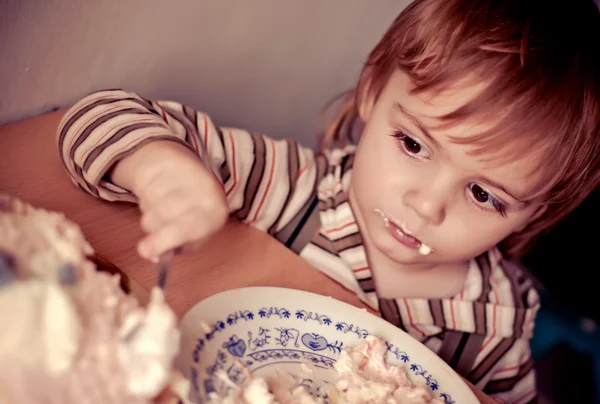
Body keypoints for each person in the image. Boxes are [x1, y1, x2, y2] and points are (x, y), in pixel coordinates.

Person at [55, 0, 600, 401]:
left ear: (539, 211)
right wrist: (161, 168)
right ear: (371, 90)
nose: (426, 204)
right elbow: (93, 119)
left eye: (483, 194)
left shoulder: (497, 327)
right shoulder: (290, 187)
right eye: (413, 144)